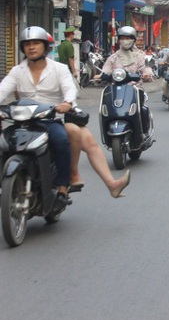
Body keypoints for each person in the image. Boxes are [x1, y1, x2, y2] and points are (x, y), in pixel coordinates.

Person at [0, 26, 78, 213]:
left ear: (45, 47)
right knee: (3, 144)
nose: (31, 47)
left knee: (61, 140)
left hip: (49, 120)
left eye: (36, 43)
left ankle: (62, 187)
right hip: (21, 121)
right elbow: (3, 89)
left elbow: (69, 89)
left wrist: (67, 102)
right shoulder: (17, 71)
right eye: (27, 44)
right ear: (22, 48)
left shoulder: (59, 69)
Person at [101, 26, 153, 134]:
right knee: (105, 110)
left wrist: (146, 74)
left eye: (128, 38)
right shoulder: (113, 57)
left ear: (133, 39)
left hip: (135, 89)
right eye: (122, 38)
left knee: (142, 110)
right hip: (115, 91)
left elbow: (146, 69)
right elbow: (105, 71)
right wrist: (100, 76)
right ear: (119, 40)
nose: (125, 40)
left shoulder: (140, 56)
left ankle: (143, 132)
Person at [66, 123, 130, 198]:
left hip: (58, 119)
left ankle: (112, 185)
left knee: (89, 140)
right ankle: (73, 175)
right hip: (52, 122)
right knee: (73, 131)